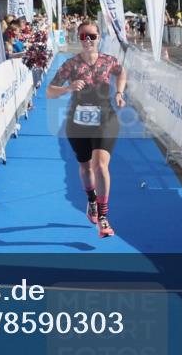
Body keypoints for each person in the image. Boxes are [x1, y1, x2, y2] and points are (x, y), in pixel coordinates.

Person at [46, 20, 127, 239]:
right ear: (78, 38)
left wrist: (119, 93)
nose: (88, 40)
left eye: (92, 36)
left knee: (100, 165)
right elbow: (49, 92)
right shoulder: (70, 65)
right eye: (83, 36)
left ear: (99, 37)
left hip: (105, 118)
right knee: (85, 167)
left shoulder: (109, 61)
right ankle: (91, 200)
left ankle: (103, 217)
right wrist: (68, 88)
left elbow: (122, 73)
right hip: (78, 122)